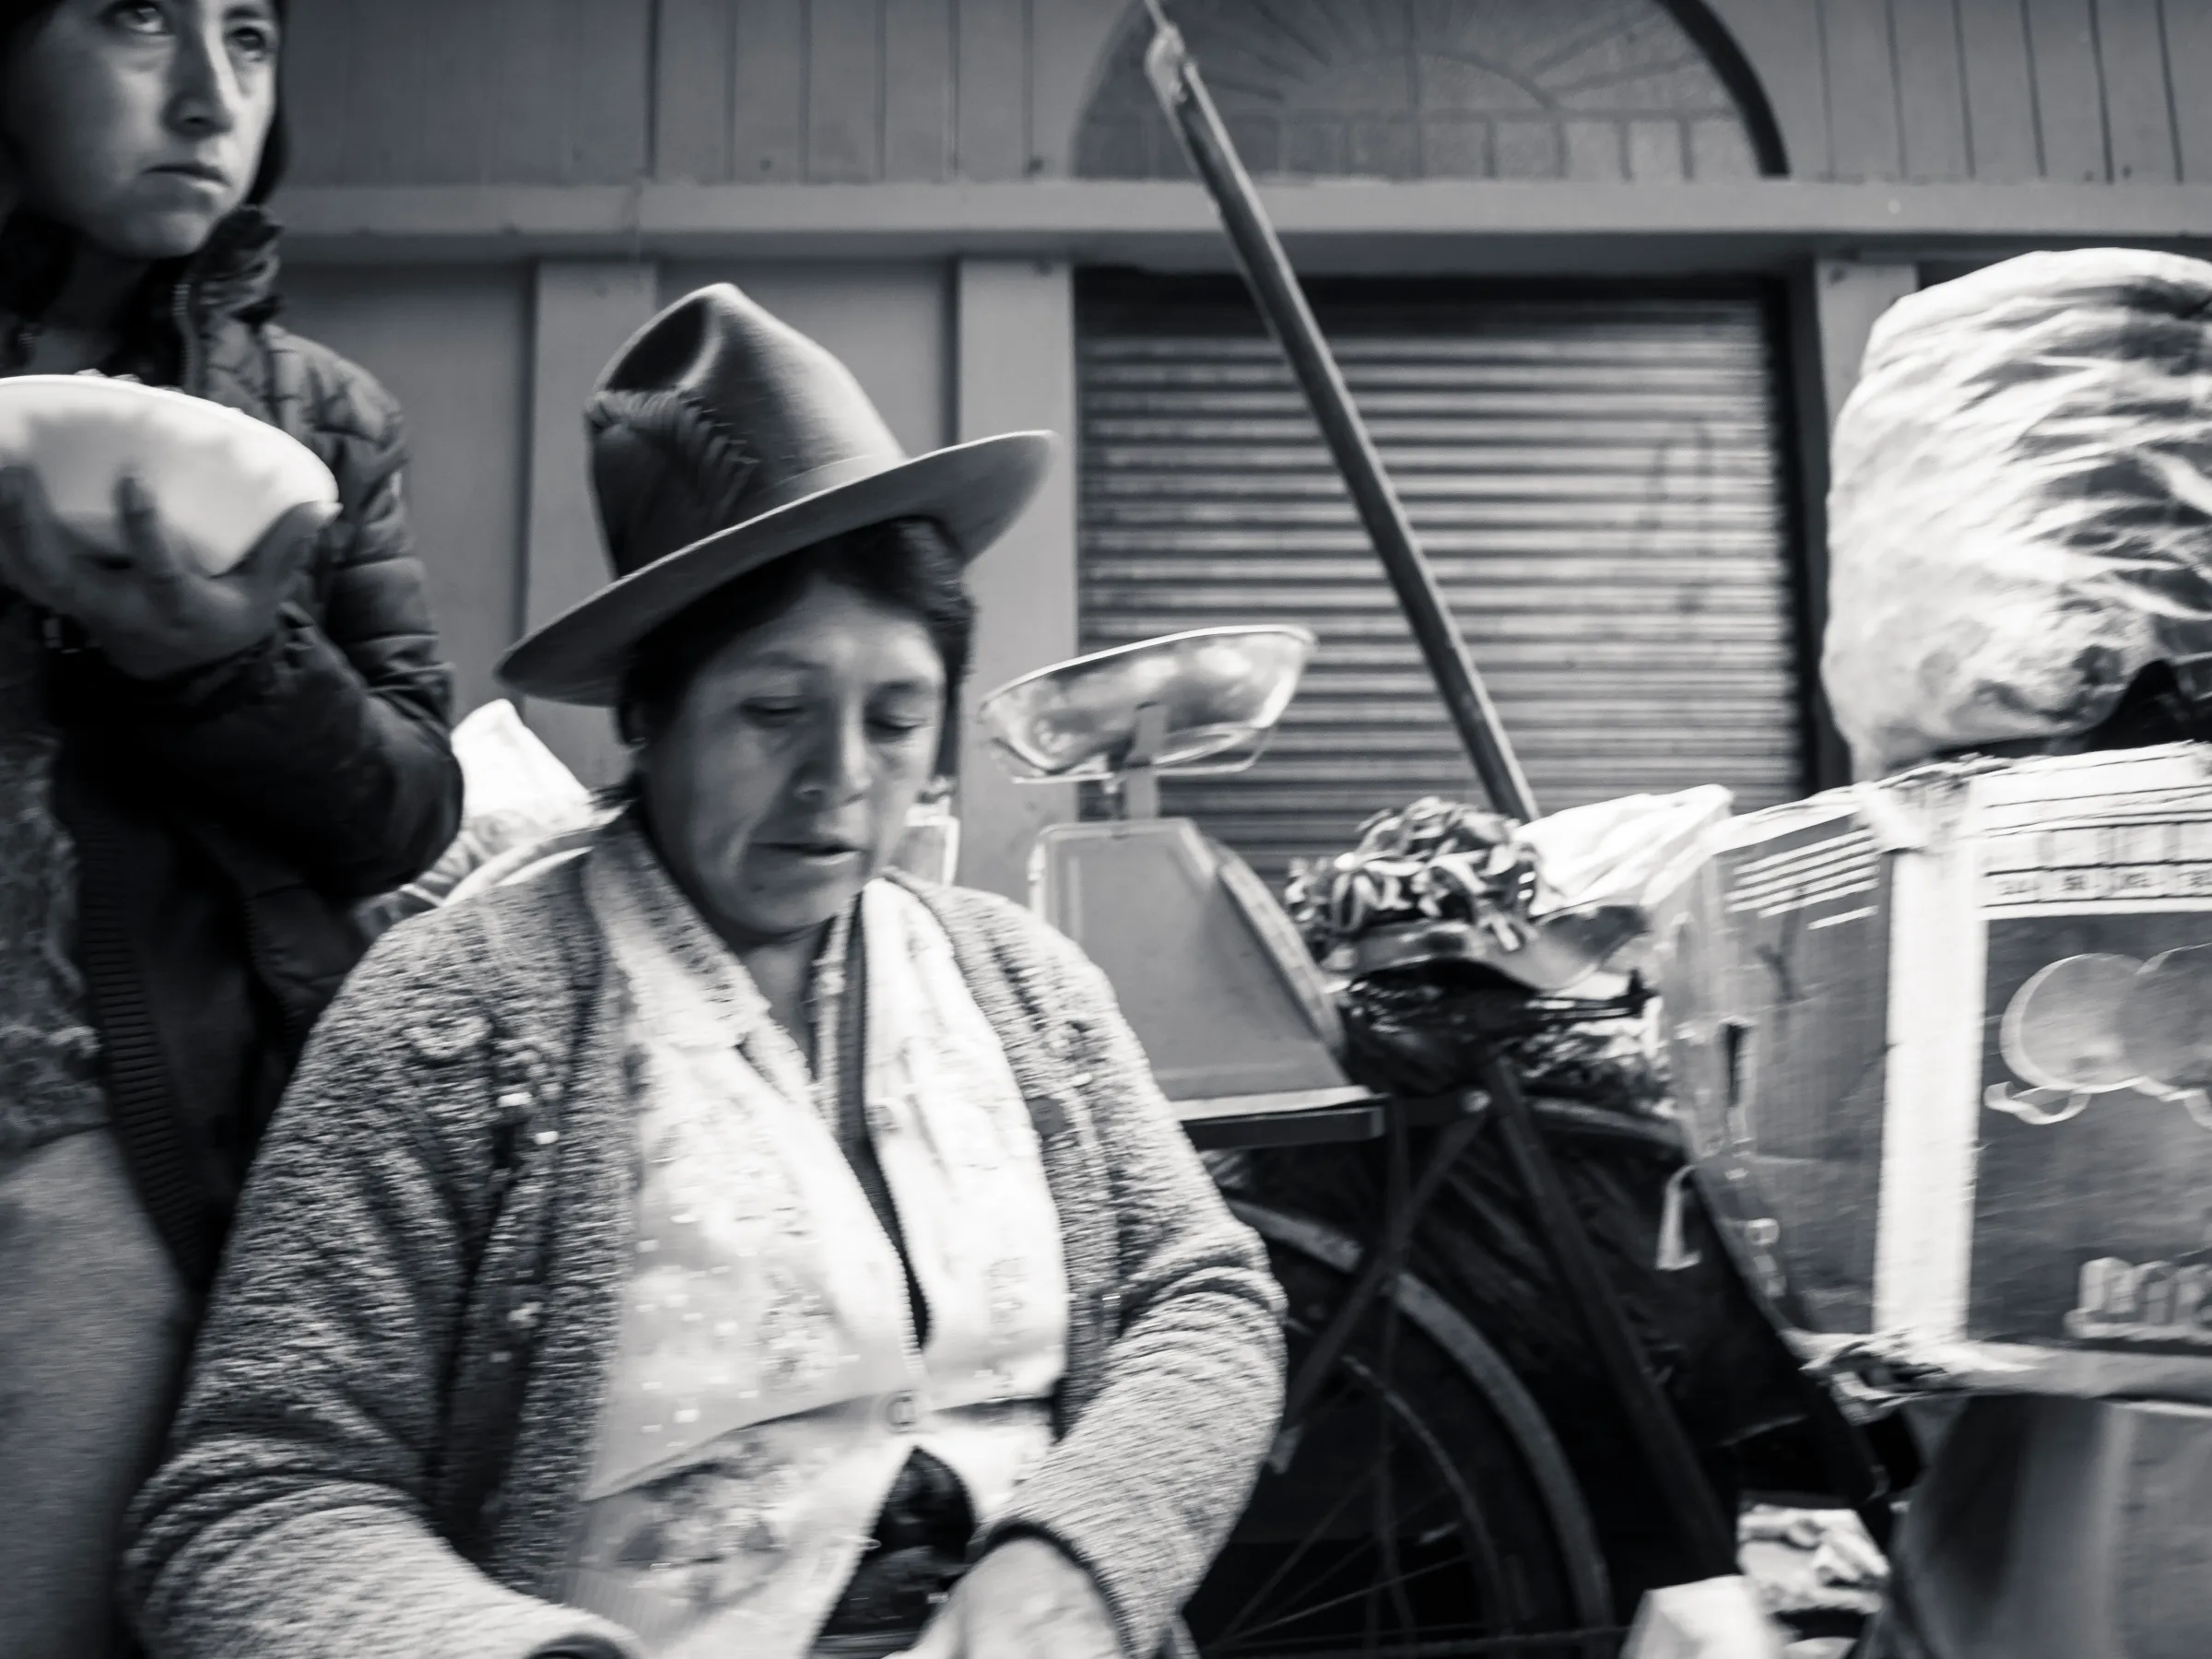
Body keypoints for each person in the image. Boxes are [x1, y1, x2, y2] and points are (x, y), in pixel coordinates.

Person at [124, 284, 1286, 1659]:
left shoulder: (1021, 988)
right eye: (774, 711)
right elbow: (251, 1502)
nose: (844, 781)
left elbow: (1201, 1297)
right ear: (650, 714)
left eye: (897, 716)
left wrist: (1079, 1561)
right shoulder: (457, 1014)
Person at [0, 3, 464, 1653]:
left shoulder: (314, 421)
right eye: (137, 21)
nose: (211, 94)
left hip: (111, 1153)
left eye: (252, 37)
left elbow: (409, 804)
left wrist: (219, 666)